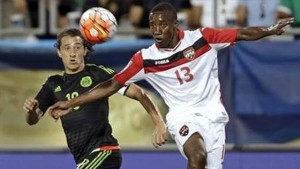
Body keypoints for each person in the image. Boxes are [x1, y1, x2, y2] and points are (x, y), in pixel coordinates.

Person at [49, 2, 294, 169]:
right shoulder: (145, 58)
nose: (156, 30)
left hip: (213, 116)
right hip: (182, 116)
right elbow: (111, 85)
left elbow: (241, 33)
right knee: (196, 156)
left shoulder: (202, 39)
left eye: (162, 25)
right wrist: (71, 102)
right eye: (152, 25)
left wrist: (270, 29)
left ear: (176, 24)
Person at [23, 28, 167, 169]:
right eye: (67, 48)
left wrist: (159, 123)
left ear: (85, 51)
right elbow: (33, 120)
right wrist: (30, 111)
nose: (72, 53)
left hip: (104, 151)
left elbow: (139, 93)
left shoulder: (98, 74)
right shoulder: (53, 83)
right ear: (59, 52)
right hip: (83, 158)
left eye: (77, 47)